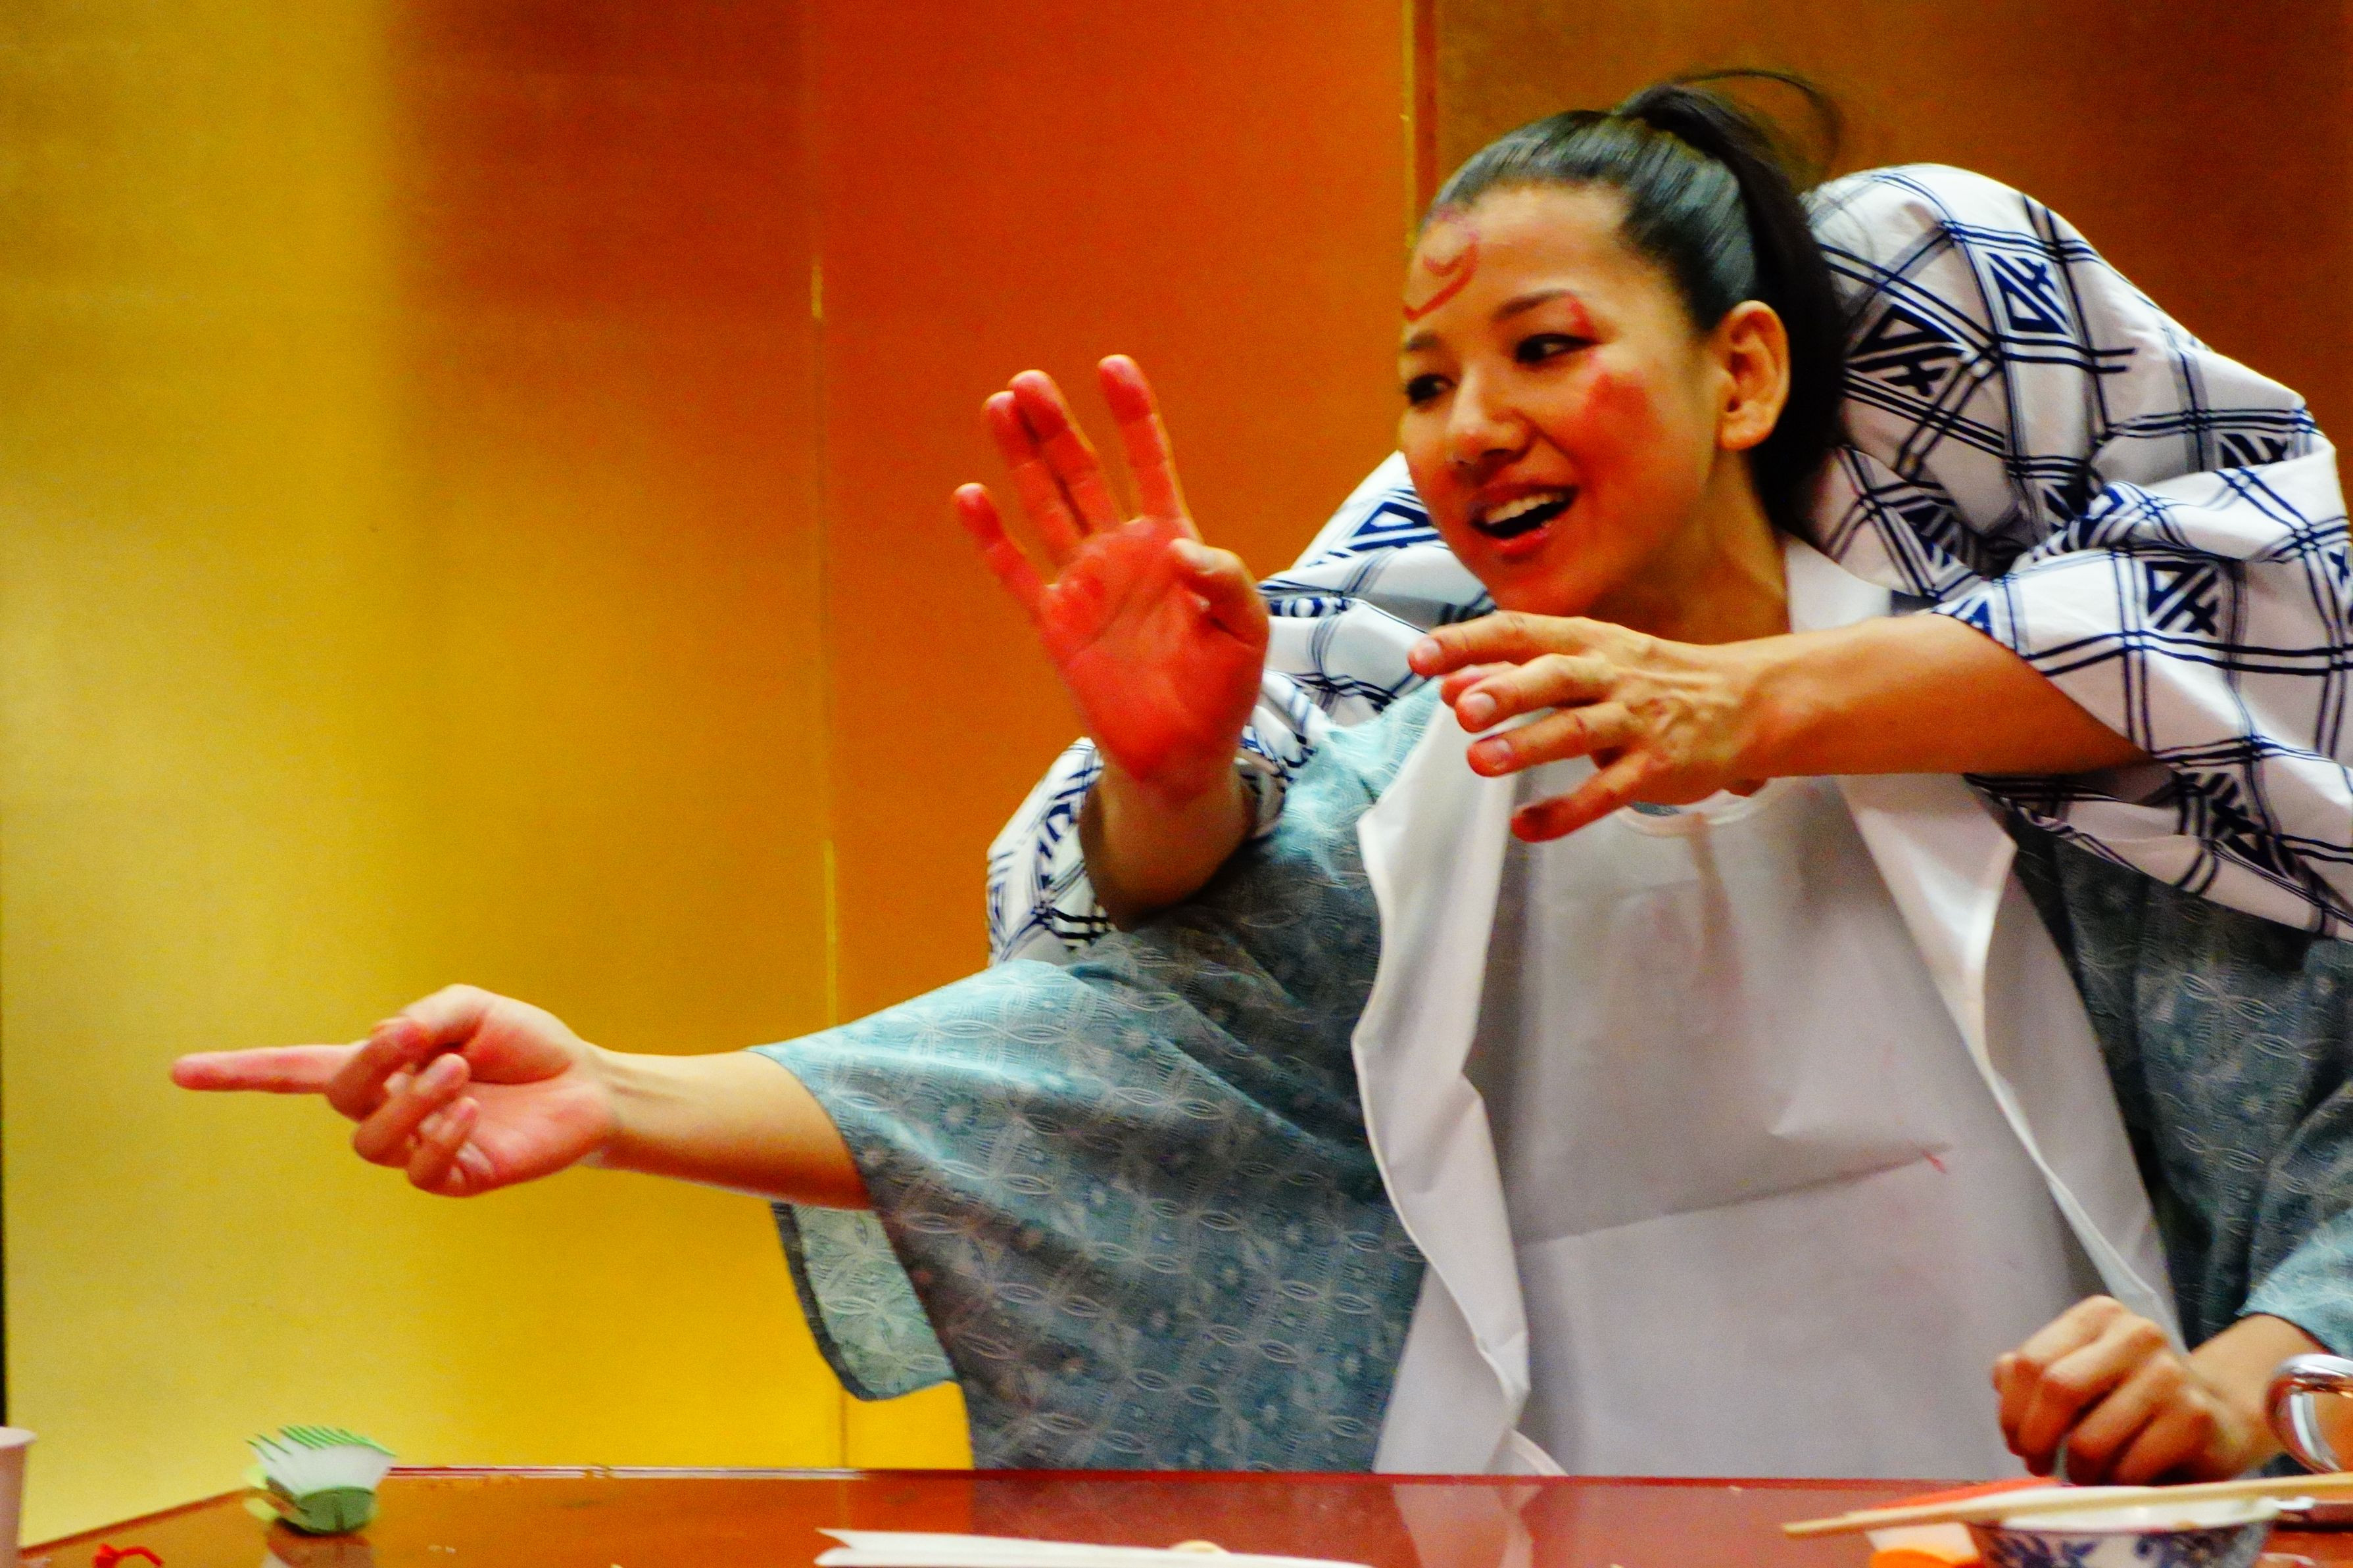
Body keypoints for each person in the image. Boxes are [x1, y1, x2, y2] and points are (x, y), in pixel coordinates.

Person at [174, 81, 2353, 1483]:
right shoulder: (1423, 770)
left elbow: (2329, 1132)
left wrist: (2242, 1367)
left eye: (1543, 348)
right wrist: (614, 1090)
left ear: (1744, 369)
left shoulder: (2081, 753)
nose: (1469, 426)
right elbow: (1110, 1072)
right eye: (1422, 377)